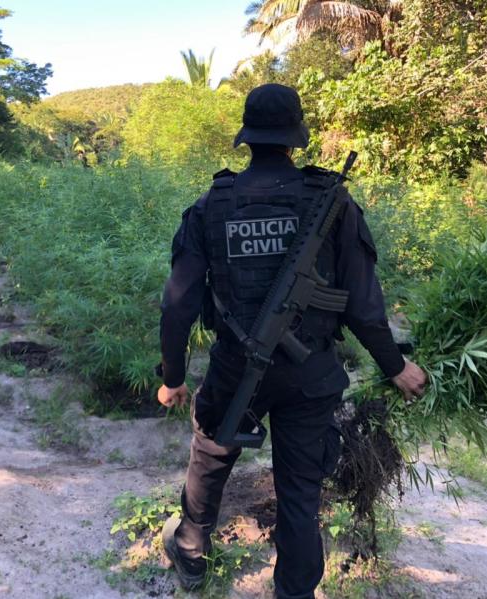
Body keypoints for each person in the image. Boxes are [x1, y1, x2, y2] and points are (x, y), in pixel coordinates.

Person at [156, 83, 427, 598]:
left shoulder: (211, 206)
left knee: (211, 457)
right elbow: (364, 304)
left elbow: (178, 304)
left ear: (248, 138)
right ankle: (295, 590)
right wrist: (396, 366)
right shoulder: (330, 203)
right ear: (294, 137)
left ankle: (191, 554)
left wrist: (172, 379)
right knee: (300, 489)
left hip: (236, 368)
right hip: (309, 376)